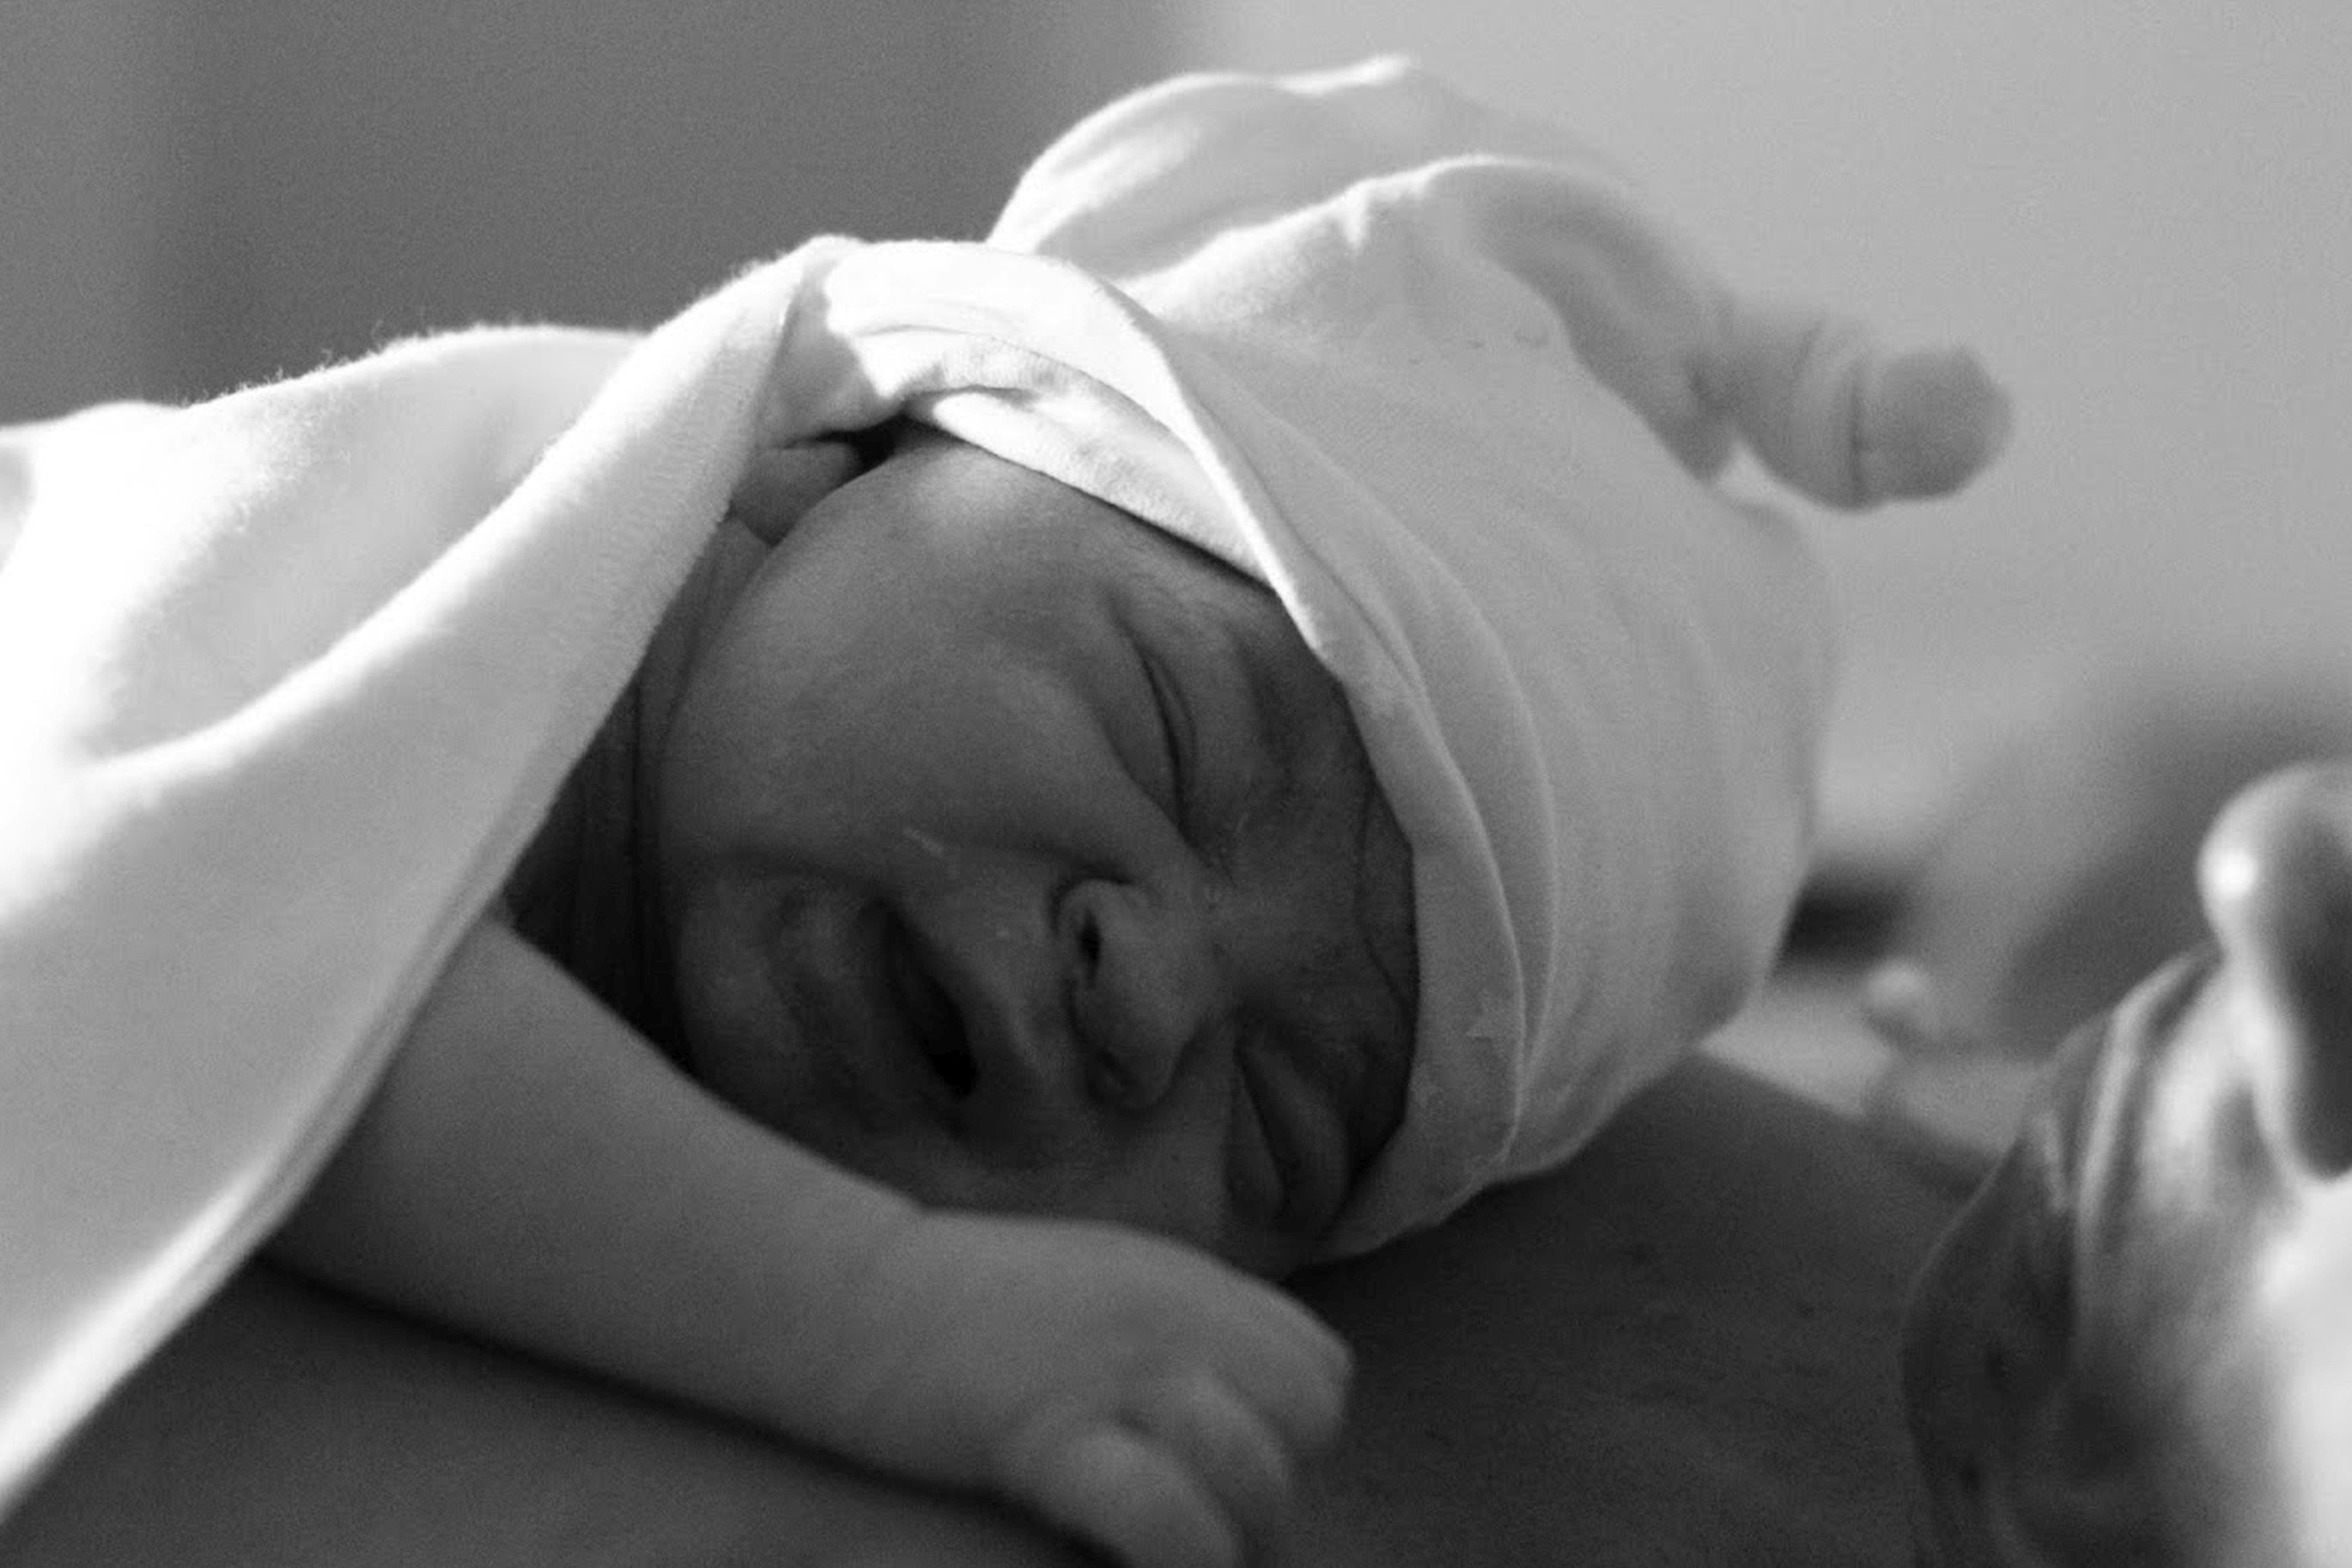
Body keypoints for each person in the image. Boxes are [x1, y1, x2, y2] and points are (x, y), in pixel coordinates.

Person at [1, 58, 2009, 1568]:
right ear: (819, 460)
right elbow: (216, 964)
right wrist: (873, 1312)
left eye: (1284, 1115)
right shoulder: (359, 559)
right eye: (1169, 724)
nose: (1155, 988)